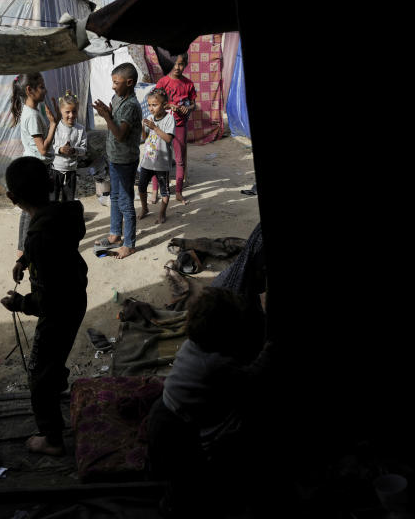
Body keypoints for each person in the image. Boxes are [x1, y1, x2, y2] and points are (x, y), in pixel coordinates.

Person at [146, 286, 270, 516]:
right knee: (186, 481)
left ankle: (158, 477)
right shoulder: (216, 365)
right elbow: (251, 380)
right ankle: (172, 506)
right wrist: (267, 354)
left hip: (161, 411)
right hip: (179, 430)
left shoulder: (190, 346)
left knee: (164, 462)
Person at [0, 156, 88, 456]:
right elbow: (56, 250)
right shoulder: (62, 215)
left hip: (57, 310)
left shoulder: (39, 236)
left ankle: (52, 438)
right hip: (75, 299)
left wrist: (19, 303)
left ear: (12, 198)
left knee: (38, 374)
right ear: (50, 184)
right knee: (57, 351)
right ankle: (58, 382)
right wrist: (24, 260)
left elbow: (47, 299)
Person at [92, 63, 142, 260]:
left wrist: (106, 117)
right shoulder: (118, 97)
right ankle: (115, 234)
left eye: (116, 82)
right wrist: (108, 111)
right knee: (114, 196)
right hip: (114, 157)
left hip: (125, 160)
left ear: (129, 83)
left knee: (125, 200)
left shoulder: (131, 105)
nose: (112, 86)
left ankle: (129, 244)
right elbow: (115, 119)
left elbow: (121, 135)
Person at [10, 72, 58, 259]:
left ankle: (22, 250)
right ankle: (26, 250)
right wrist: (54, 124)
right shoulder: (33, 117)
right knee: (35, 212)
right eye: (42, 87)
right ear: (29, 90)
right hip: (37, 169)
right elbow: (43, 150)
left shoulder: (29, 111)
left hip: (31, 166)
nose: (45, 90)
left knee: (28, 211)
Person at [151, 52, 196, 205]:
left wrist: (187, 108)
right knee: (158, 158)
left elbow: (193, 104)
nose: (177, 67)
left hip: (180, 126)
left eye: (181, 64)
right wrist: (168, 106)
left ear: (186, 64)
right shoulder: (163, 82)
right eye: (175, 63)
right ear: (169, 64)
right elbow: (154, 103)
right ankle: (155, 191)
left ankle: (178, 191)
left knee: (179, 160)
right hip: (163, 126)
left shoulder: (188, 84)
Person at [137, 89, 176, 224]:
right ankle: (145, 208)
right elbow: (144, 137)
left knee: (164, 190)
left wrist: (154, 127)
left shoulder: (169, 119)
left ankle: (162, 213)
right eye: (149, 105)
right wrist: (143, 127)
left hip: (162, 163)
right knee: (141, 186)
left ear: (164, 104)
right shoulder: (150, 118)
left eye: (154, 105)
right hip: (148, 161)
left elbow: (168, 139)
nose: (151, 108)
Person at [51, 91, 88, 202]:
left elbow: (84, 150)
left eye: (74, 111)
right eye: (67, 112)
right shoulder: (55, 127)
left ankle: (66, 219)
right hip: (55, 170)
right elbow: (48, 147)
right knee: (53, 200)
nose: (71, 115)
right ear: (60, 111)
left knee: (68, 200)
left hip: (71, 171)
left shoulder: (80, 129)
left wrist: (74, 150)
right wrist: (60, 149)